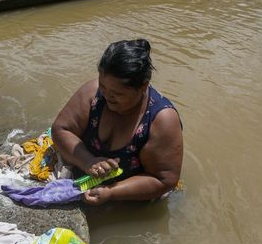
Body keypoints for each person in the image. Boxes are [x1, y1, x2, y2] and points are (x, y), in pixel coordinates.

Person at [52, 39, 182, 205]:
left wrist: (111, 193)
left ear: (143, 86)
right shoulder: (93, 94)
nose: (107, 96)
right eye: (103, 87)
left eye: (117, 93)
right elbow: (61, 129)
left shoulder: (162, 120)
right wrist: (88, 161)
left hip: (130, 197)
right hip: (85, 175)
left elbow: (164, 179)